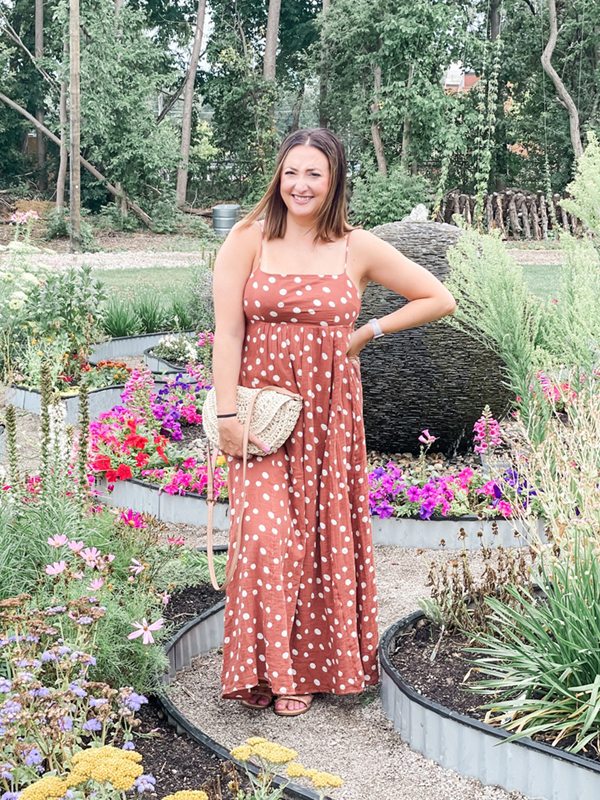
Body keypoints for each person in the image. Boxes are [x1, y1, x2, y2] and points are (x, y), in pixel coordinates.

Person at [211, 128, 456, 716]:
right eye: (291, 171)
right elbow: (228, 331)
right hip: (262, 414)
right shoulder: (248, 238)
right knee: (268, 538)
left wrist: (367, 333)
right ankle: (268, 668)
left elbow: (437, 297)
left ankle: (302, 670)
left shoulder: (358, 247)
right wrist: (223, 413)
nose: (300, 184)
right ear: (279, 176)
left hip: (329, 415)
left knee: (320, 540)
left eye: (314, 173)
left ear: (334, 180)